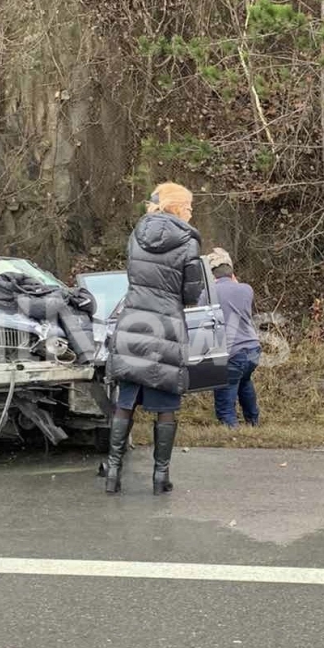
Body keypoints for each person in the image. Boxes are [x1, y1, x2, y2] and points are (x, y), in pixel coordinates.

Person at [104, 182, 202, 495]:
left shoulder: (136, 235)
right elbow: (191, 293)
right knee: (166, 402)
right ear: (177, 207)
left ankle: (113, 472)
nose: (191, 211)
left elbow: (133, 277)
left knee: (126, 400)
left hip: (133, 319)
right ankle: (161, 476)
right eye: (188, 205)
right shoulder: (188, 243)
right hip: (166, 325)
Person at [204, 248, 261, 428]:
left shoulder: (209, 293)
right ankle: (253, 421)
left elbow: (201, 315)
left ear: (212, 274)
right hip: (252, 349)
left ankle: (231, 428)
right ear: (232, 272)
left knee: (225, 394)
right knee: (244, 381)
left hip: (231, 351)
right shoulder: (246, 290)